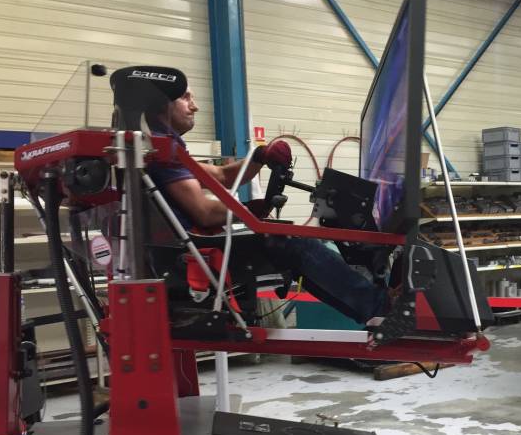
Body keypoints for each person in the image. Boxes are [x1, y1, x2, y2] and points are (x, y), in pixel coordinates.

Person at [117, 66, 388, 325]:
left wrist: (259, 156)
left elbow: (221, 175)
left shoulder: (162, 147)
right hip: (195, 253)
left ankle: (373, 310)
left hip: (191, 248)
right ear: (162, 103)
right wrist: (250, 211)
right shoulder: (162, 151)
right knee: (292, 241)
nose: (195, 106)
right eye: (186, 97)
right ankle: (379, 309)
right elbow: (205, 212)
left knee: (289, 242)